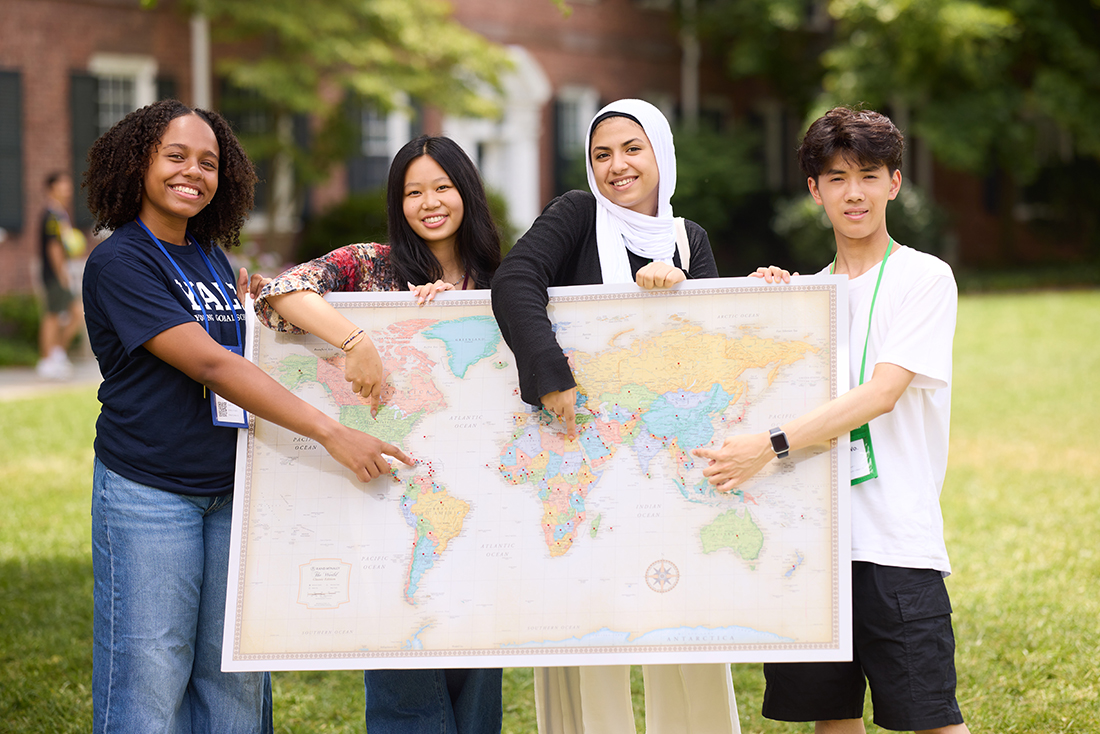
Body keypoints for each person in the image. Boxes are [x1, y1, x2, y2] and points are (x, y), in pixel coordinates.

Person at [81, 99, 413, 734]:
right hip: (150, 491)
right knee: (149, 676)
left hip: (230, 489)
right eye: (175, 157)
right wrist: (331, 432)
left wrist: (358, 333)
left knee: (233, 675)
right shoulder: (121, 260)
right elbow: (213, 366)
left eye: (208, 162)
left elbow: (268, 324)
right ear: (138, 162)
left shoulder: (209, 256)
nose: (194, 173)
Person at [694, 106, 970, 734]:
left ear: (895, 183)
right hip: (809, 540)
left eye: (870, 175)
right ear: (815, 190)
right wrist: (769, 307)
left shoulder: (924, 278)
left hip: (894, 539)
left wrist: (769, 445)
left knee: (930, 720)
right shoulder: (803, 297)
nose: (855, 193)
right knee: (830, 721)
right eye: (838, 177)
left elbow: (883, 393)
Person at [491, 99, 740, 734]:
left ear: (662, 154)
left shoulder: (690, 239)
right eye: (602, 153)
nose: (617, 165)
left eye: (633, 148)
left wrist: (677, 287)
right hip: (584, 462)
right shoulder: (577, 214)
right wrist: (551, 373)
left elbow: (709, 351)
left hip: (663, 463)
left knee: (682, 620)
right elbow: (516, 279)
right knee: (590, 627)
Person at [255, 135, 504, 734]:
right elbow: (278, 292)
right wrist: (357, 339)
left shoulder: (505, 277)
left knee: (478, 681)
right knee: (404, 674)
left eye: (443, 187)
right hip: (387, 502)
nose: (430, 202)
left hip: (482, 506)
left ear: (466, 191)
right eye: (413, 191)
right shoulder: (372, 265)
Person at [36, 171, 85, 379]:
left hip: (60, 272)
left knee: (73, 314)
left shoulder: (60, 213)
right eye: (62, 185)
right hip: (55, 274)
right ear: (52, 188)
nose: (68, 189)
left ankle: (56, 354)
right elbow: (53, 246)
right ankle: (48, 359)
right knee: (54, 316)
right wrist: (61, 273)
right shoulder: (52, 215)